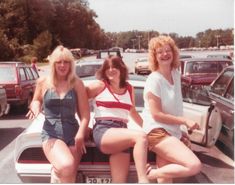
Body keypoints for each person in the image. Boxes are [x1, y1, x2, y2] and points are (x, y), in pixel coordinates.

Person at [142, 35, 202, 183]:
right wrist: (184, 121)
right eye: (159, 52)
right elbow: (156, 115)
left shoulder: (176, 74)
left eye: (168, 50)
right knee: (194, 165)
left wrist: (179, 130)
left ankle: (156, 175)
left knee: (166, 180)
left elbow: (174, 107)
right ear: (154, 57)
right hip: (157, 132)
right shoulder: (154, 80)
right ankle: (148, 175)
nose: (164, 54)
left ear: (173, 53)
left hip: (170, 131)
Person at [26, 45, 90, 183]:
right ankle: (56, 173)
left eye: (66, 62)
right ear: (53, 64)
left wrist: (80, 133)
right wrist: (35, 106)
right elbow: (36, 100)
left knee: (70, 174)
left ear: (71, 64)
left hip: (73, 133)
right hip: (51, 133)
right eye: (59, 62)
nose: (62, 65)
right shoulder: (43, 82)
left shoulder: (77, 83)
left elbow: (85, 115)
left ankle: (59, 175)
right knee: (66, 166)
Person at [86, 55, 149, 183]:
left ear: (122, 69)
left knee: (120, 182)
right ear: (103, 71)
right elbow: (78, 99)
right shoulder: (99, 85)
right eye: (107, 68)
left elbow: (133, 112)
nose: (110, 70)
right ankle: (143, 180)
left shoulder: (129, 88)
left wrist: (150, 129)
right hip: (104, 130)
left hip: (121, 134)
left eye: (114, 67)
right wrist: (83, 126)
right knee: (140, 137)